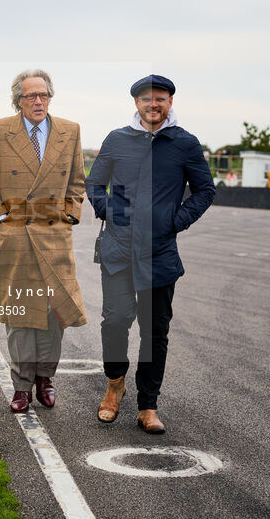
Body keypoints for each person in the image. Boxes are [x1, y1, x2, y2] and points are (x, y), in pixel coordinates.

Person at [85, 74, 215, 434]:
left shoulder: (184, 143)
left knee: (155, 331)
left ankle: (148, 405)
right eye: (146, 99)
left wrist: (176, 221)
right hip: (118, 248)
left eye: (160, 99)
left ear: (170, 102)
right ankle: (114, 386)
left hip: (160, 250)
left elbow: (205, 190)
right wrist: (109, 211)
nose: (153, 104)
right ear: (136, 104)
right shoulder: (117, 139)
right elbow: (95, 183)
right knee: (115, 321)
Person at [0, 69, 87, 413]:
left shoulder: (70, 130)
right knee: (20, 314)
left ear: (51, 97)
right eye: (30, 96)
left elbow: (78, 183)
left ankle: (45, 379)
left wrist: (70, 214)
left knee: (54, 314)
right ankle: (21, 386)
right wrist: (2, 218)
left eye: (43, 95)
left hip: (54, 236)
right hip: (15, 239)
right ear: (17, 100)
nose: (38, 101)